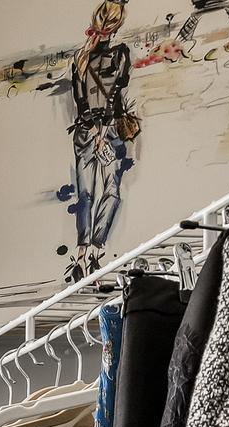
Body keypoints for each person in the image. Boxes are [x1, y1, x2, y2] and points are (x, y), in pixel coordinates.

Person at [66, 1, 139, 283]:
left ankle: (82, 253)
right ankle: (96, 251)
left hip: (84, 131)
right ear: (117, 25)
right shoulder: (120, 54)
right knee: (111, 191)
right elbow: (114, 96)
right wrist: (103, 130)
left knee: (85, 193)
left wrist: (93, 127)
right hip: (107, 132)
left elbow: (80, 101)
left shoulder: (79, 58)